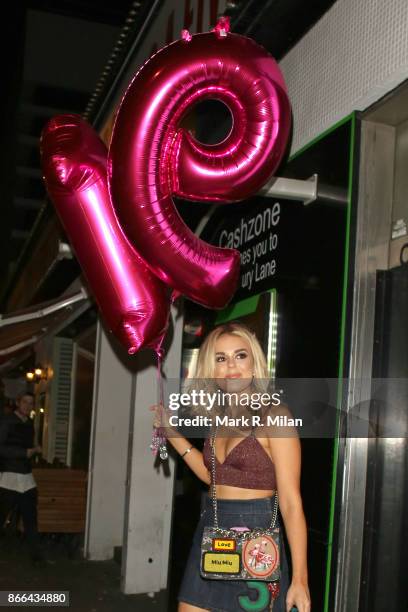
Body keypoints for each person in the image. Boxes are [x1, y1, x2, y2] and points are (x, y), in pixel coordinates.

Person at [151, 322, 311, 612]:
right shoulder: (220, 419)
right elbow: (213, 477)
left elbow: (290, 503)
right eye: (221, 359)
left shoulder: (275, 415)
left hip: (257, 537)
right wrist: (171, 434)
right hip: (212, 527)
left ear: (254, 362)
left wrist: (300, 578)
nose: (231, 366)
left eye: (240, 355)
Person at [0, 391, 43, 564]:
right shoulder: (6, 421)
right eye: (25, 402)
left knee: (31, 518)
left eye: (31, 403)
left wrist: (34, 449)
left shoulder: (30, 423)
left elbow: (29, 447)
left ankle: (36, 556)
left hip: (26, 477)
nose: (28, 405)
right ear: (18, 403)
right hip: (9, 476)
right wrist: (25, 452)